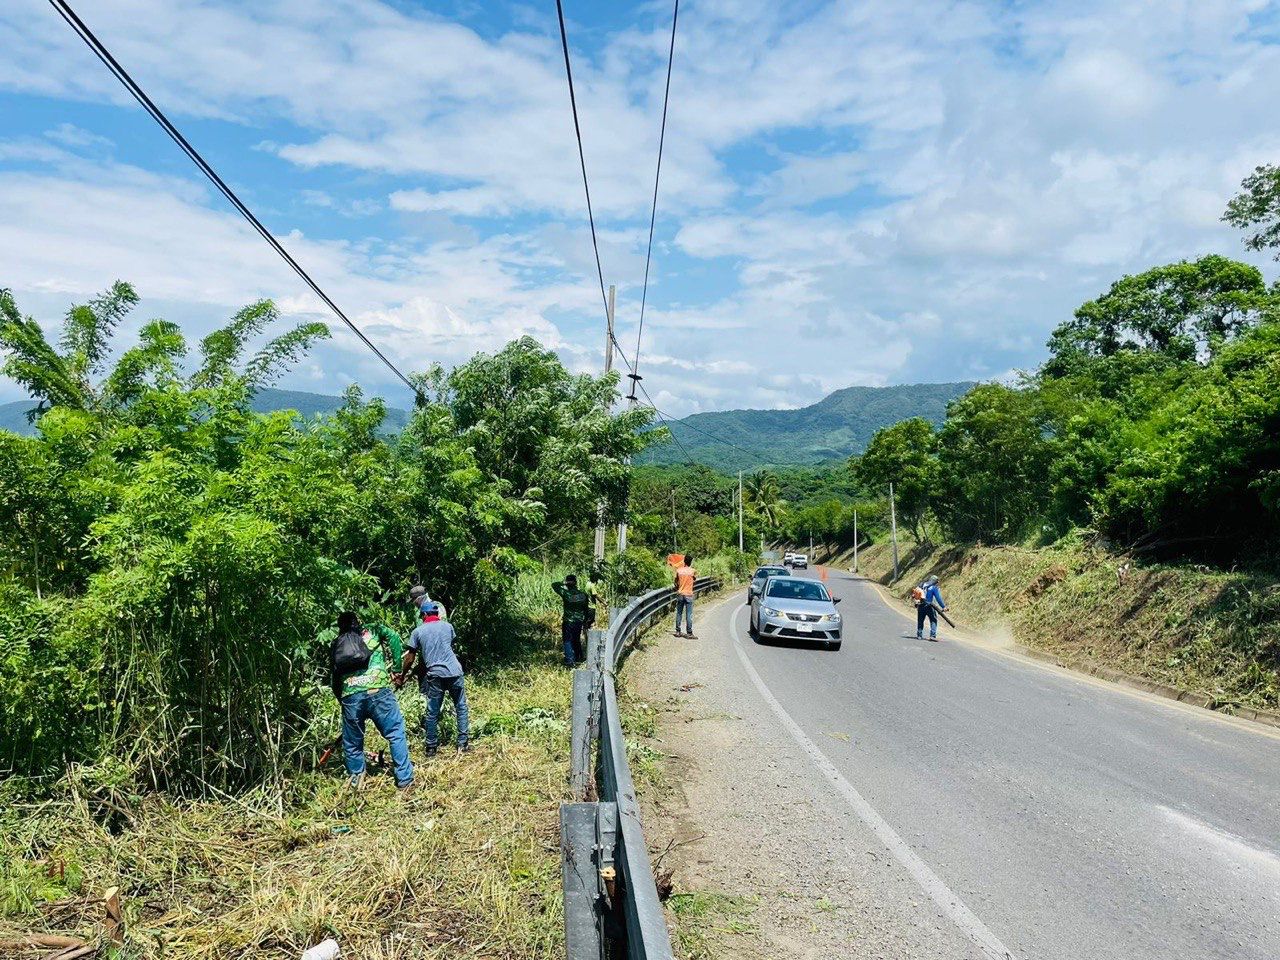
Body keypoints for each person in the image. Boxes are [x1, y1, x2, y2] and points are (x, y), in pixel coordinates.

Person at [326, 611, 415, 793]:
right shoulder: (373, 630)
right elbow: (394, 638)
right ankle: (405, 781)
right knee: (395, 732)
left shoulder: (337, 644)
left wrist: (342, 699)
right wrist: (397, 669)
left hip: (350, 695)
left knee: (352, 744)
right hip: (378, 691)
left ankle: (356, 785)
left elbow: (334, 676)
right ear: (357, 622)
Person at [403, 601, 469, 756]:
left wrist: (402, 675)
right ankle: (463, 744)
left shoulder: (418, 632)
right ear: (437, 614)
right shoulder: (448, 627)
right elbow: (447, 645)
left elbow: (410, 658)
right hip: (454, 671)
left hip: (435, 674)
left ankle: (431, 748)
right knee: (461, 707)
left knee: (432, 711)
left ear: (424, 615)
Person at [552, 574, 592, 667]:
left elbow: (554, 585)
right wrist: (585, 621)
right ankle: (579, 657)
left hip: (568, 621)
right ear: (576, 583)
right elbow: (586, 609)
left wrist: (564, 583)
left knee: (567, 640)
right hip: (579, 621)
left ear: (568, 583)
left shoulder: (566, 593)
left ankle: (570, 660)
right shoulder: (583, 595)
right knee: (576, 639)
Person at [915, 574, 946, 641]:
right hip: (929, 606)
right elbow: (938, 598)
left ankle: (919, 635)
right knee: (933, 620)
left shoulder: (922, 585)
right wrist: (943, 607)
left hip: (920, 605)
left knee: (920, 620)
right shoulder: (933, 588)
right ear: (935, 581)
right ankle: (932, 635)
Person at [674, 554, 697, 638]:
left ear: (684, 561)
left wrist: (678, 587)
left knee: (679, 613)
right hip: (689, 595)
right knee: (689, 614)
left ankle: (678, 631)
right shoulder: (693, 571)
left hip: (680, 594)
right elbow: (694, 579)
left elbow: (676, 582)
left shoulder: (679, 571)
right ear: (690, 562)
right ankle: (689, 633)